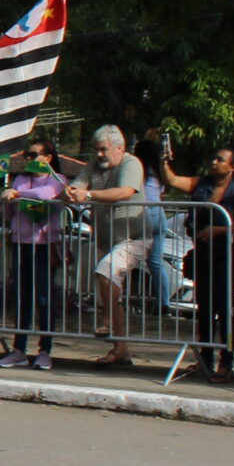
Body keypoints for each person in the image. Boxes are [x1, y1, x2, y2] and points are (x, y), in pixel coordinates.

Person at [161, 143, 234, 380]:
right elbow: (172, 180)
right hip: (202, 254)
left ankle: (227, 361)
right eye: (214, 158)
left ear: (232, 167)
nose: (214, 162)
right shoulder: (201, 184)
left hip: (227, 255)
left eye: (220, 159)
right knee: (205, 310)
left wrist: (219, 230)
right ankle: (205, 359)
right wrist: (164, 160)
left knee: (225, 310)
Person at [66, 124, 150, 368]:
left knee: (105, 271)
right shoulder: (93, 165)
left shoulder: (131, 163)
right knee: (109, 285)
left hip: (134, 238)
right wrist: (71, 192)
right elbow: (78, 186)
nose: (99, 154)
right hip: (105, 239)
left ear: (119, 149)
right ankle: (121, 348)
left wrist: (89, 196)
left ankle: (109, 323)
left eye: (104, 149)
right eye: (96, 150)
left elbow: (124, 192)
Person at [0, 138, 66, 369]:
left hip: (44, 244)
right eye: (27, 155)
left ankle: (45, 350)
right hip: (20, 242)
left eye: (34, 155)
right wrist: (9, 198)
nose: (30, 160)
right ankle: (18, 349)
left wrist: (17, 195)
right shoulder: (21, 179)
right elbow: (10, 211)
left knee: (44, 297)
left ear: (47, 158)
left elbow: (46, 195)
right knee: (22, 296)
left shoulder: (57, 179)